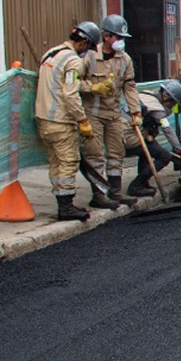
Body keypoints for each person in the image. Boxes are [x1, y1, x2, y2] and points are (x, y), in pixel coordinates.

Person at [35, 21, 102, 221]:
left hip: (43, 118)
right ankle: (66, 207)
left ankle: (61, 201)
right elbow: (69, 93)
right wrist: (82, 119)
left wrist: (91, 87)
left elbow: (61, 82)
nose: (87, 52)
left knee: (55, 163)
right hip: (60, 120)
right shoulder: (74, 61)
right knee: (68, 161)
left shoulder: (51, 54)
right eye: (88, 48)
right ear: (84, 42)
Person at [82, 14, 141, 209]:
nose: (121, 42)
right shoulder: (89, 57)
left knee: (117, 153)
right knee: (95, 155)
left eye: (123, 38)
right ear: (106, 36)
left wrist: (136, 112)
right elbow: (73, 83)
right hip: (93, 114)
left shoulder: (125, 60)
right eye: (118, 37)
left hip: (114, 114)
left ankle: (115, 191)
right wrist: (92, 87)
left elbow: (130, 87)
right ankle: (98, 194)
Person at [124, 82, 181, 197]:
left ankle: (143, 182)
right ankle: (136, 186)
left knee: (149, 150)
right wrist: (180, 151)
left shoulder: (145, 95)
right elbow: (167, 130)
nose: (172, 106)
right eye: (173, 103)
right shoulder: (158, 109)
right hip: (129, 137)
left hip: (121, 133)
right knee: (164, 156)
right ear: (167, 98)